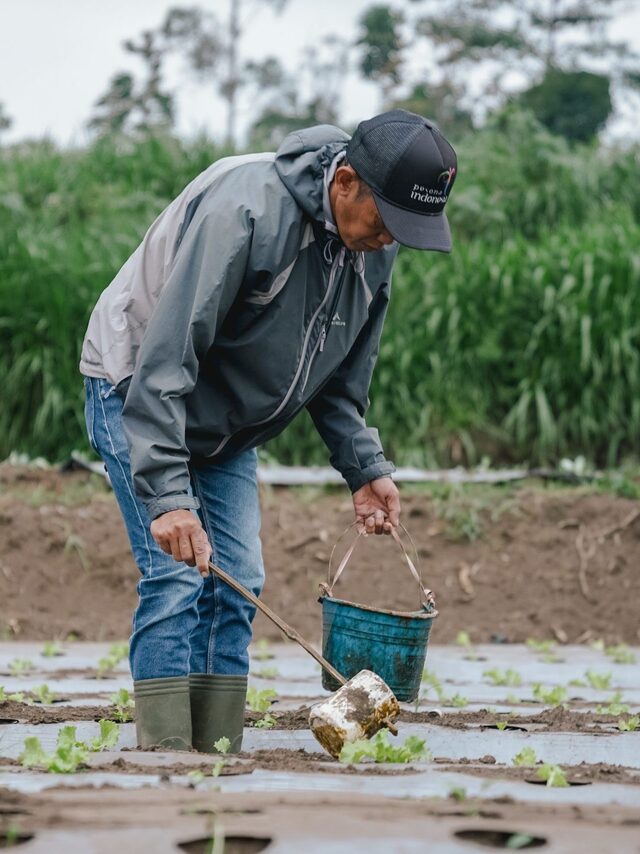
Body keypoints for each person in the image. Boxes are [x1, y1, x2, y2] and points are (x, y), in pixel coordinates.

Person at [79, 109, 457, 752]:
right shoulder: (245, 211)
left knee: (240, 581)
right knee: (177, 576)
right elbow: (166, 361)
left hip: (224, 423)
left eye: (406, 229)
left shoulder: (371, 252)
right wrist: (170, 497)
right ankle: (165, 754)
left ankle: (216, 750)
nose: (391, 240)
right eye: (388, 221)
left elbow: (338, 381)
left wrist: (365, 469)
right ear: (345, 183)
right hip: (135, 388)